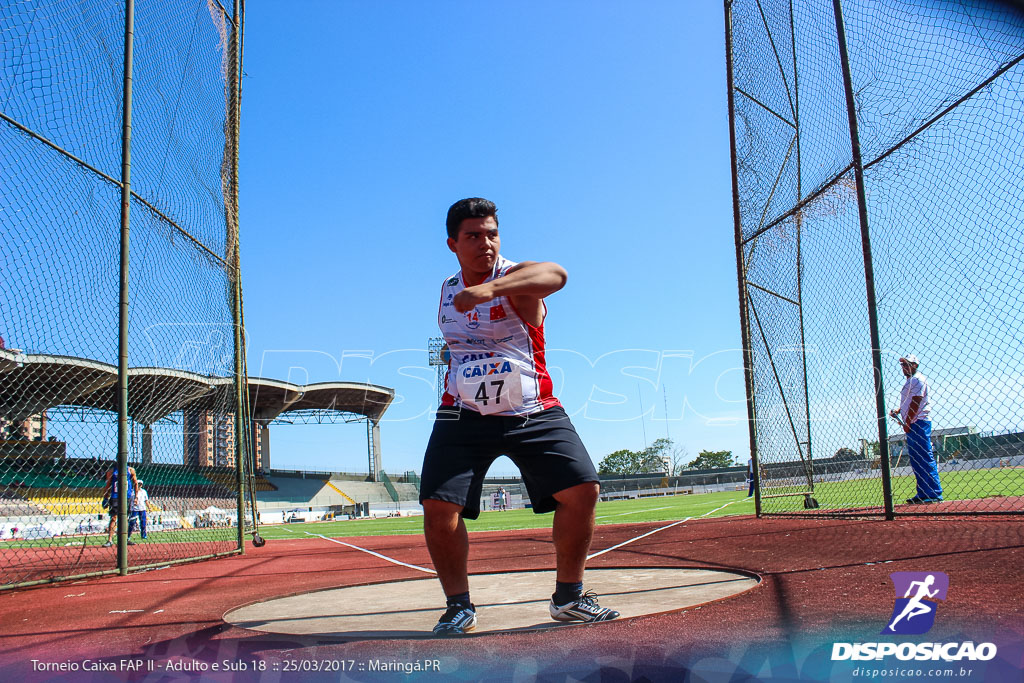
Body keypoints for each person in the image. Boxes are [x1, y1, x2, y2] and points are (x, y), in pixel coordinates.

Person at [420, 198, 618, 637]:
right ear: (453, 243)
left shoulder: (517, 277)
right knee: (437, 506)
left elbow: (557, 275)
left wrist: (491, 290)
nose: (485, 243)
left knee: (582, 489)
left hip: (531, 408)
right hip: (463, 412)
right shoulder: (447, 289)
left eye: (491, 234)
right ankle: (458, 607)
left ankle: (569, 598)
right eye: (473, 236)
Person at [889, 354, 942, 504]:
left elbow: (916, 402)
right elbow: (908, 401)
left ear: (915, 365)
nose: (904, 368)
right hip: (913, 422)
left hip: (918, 422)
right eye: (903, 365)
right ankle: (924, 492)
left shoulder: (917, 380)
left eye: (907, 364)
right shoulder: (911, 381)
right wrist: (899, 411)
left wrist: (907, 422)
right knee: (917, 459)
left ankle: (933, 493)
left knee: (924, 456)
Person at [102, 463, 138, 547]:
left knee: (125, 518)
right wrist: (105, 497)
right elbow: (108, 485)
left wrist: (136, 496)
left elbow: (135, 483)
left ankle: (124, 539)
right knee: (114, 517)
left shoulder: (130, 470)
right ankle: (110, 540)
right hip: (115, 496)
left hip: (127, 496)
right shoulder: (112, 471)